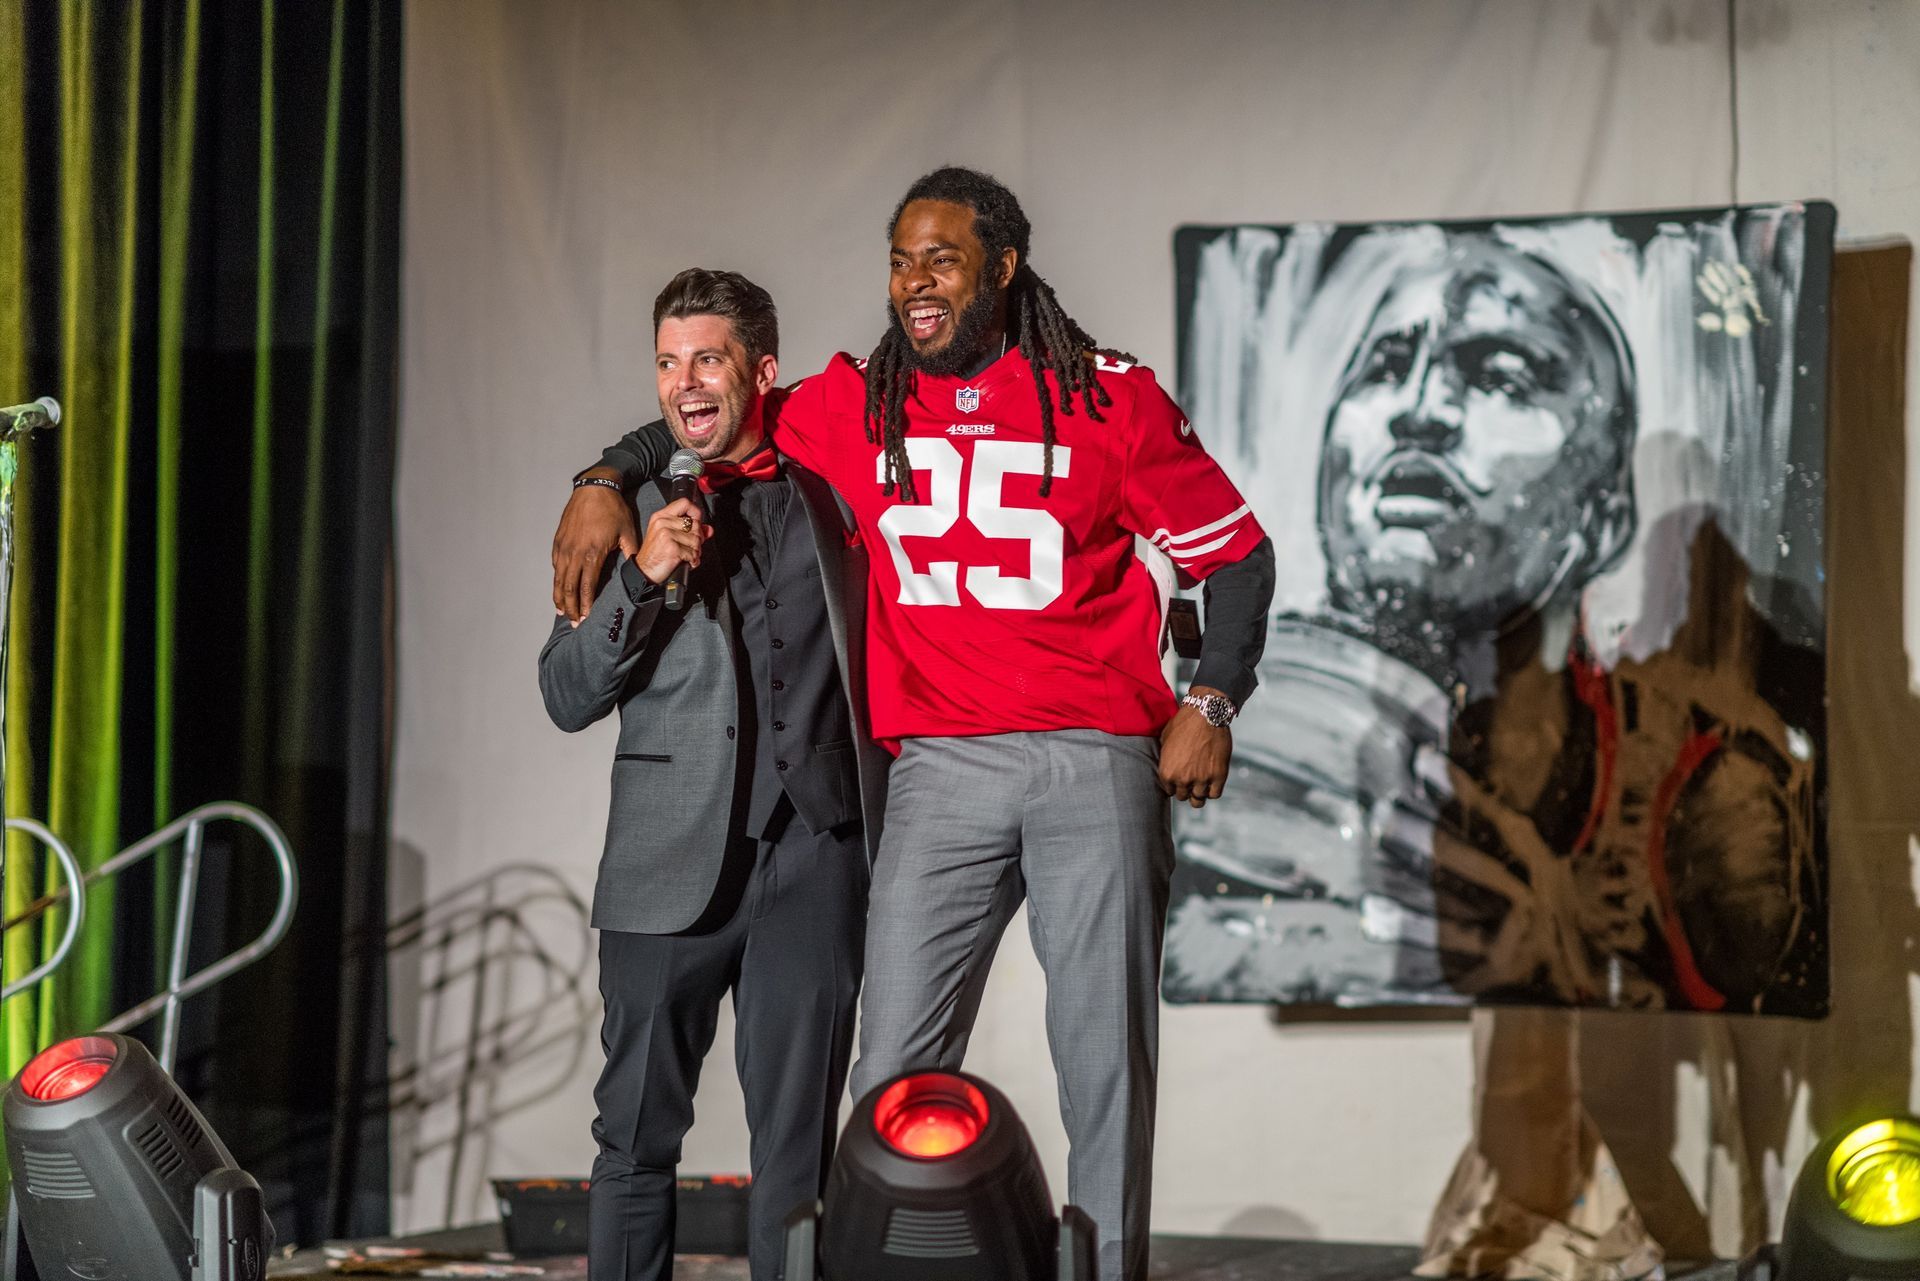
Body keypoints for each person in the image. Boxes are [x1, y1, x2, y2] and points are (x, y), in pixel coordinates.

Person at [550, 167, 1277, 1281]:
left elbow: (1234, 553)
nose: (914, 282)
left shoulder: (1107, 396)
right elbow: (712, 409)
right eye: (899, 260)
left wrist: (1210, 699)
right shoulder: (856, 399)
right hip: (936, 767)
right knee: (888, 1073)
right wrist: (604, 476)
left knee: (1104, 1071)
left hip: (1093, 756)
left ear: (1001, 265)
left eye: (940, 258)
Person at [537, 268, 886, 1281]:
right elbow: (565, 694)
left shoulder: (833, 490)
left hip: (816, 860)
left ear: (761, 371)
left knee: (798, 1157)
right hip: (664, 863)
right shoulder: (619, 514)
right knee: (636, 1139)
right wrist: (640, 572)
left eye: (708, 359)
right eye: (666, 362)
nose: (685, 383)